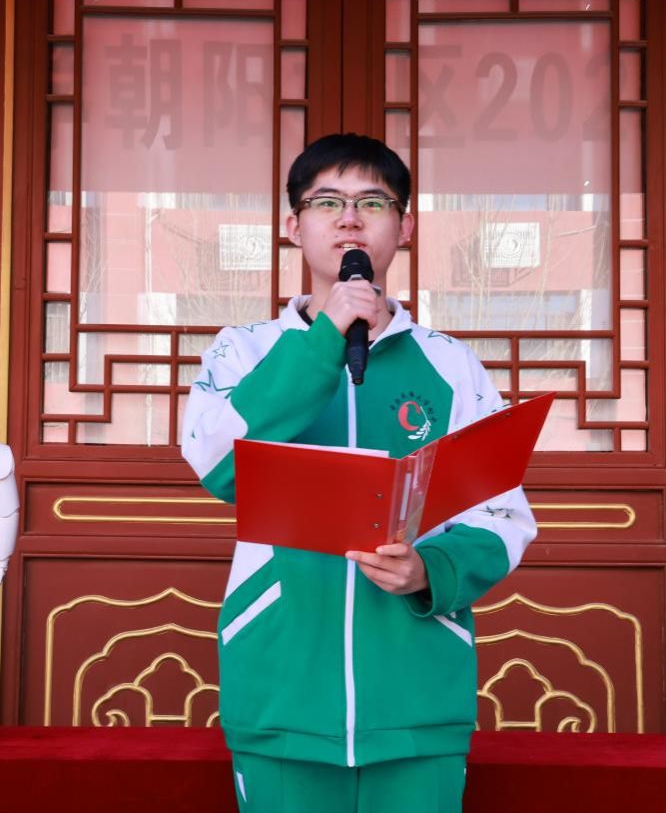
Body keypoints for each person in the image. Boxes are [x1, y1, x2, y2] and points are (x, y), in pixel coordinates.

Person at [181, 133, 537, 812]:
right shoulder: (242, 351)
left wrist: (431, 570)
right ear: (294, 226)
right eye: (327, 202)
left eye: (373, 202)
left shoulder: (450, 364)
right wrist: (324, 342)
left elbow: (502, 512)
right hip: (282, 686)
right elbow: (218, 464)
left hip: (416, 693)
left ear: (405, 226)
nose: (349, 219)